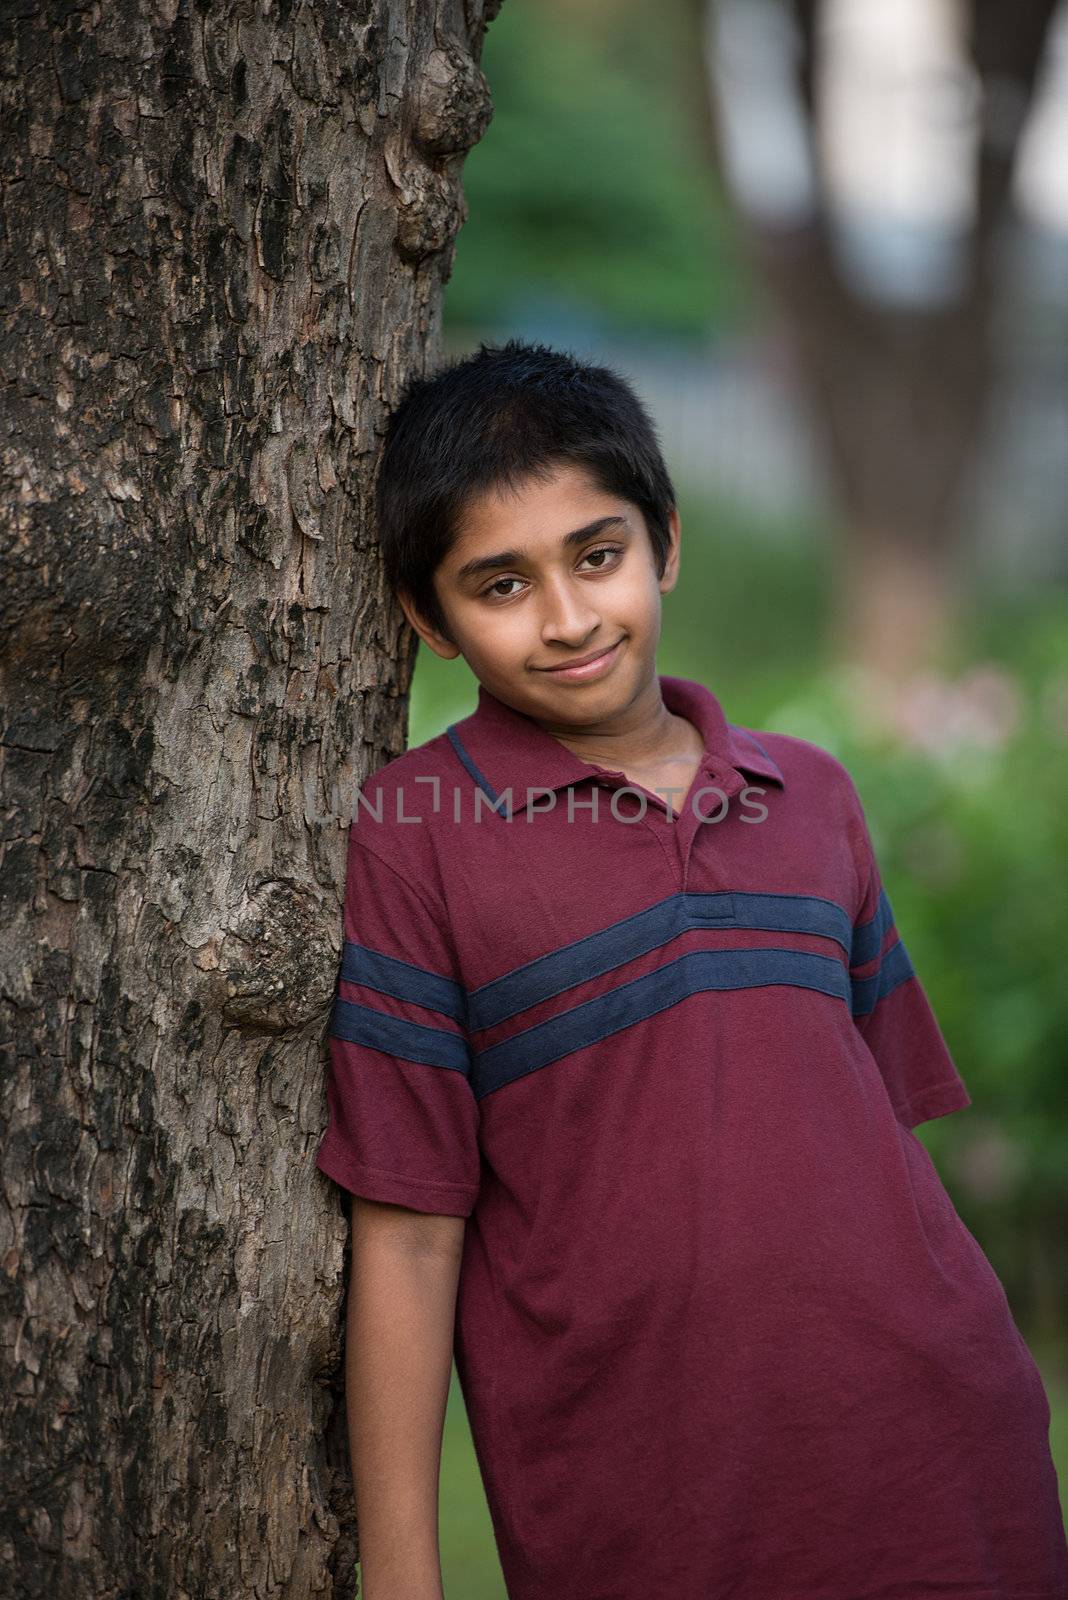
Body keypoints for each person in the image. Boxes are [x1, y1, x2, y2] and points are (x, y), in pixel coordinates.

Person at [315, 338, 1068, 1600]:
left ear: (665, 543)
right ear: (425, 618)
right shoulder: (415, 834)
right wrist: (401, 1576)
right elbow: (407, 1230)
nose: (566, 618)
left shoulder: (811, 792)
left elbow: (873, 1138)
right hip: (645, 1489)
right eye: (499, 584)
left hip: (940, 1444)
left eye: (596, 555)